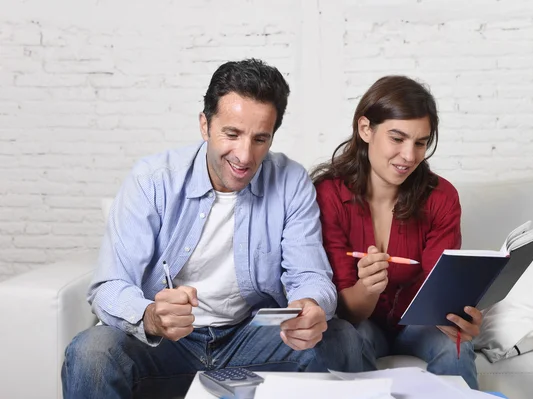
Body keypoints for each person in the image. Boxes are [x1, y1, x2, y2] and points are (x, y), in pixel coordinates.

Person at [62, 59, 368, 399]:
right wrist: (150, 316)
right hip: (167, 344)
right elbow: (109, 286)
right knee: (91, 353)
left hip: (250, 338)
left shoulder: (290, 181)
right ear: (205, 125)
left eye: (260, 139)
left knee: (342, 338)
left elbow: (310, 275)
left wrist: (310, 306)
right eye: (232, 134)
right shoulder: (152, 180)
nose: (244, 155)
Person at [311, 75, 483, 389]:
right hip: (359, 323)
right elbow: (344, 311)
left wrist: (462, 318)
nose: (409, 156)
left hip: (419, 325)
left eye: (421, 142)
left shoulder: (441, 197)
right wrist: (367, 289)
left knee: (452, 343)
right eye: (397, 138)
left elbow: (440, 291)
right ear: (366, 129)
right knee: (339, 335)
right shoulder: (329, 195)